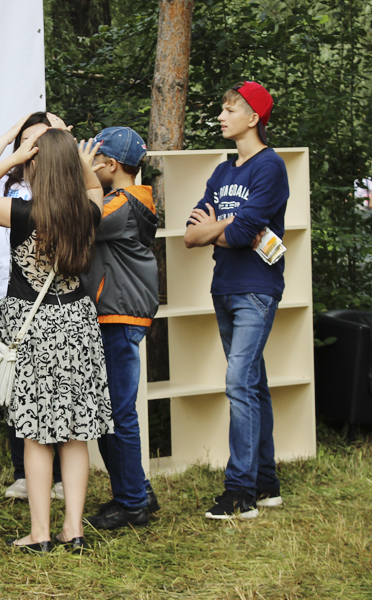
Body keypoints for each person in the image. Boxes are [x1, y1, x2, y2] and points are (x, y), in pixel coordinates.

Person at [0, 129, 112, 553]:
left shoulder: (22, 213)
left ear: (33, 165)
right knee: (76, 434)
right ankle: (73, 530)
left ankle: (40, 533)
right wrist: (83, 163)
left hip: (33, 328)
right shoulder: (88, 211)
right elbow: (93, 185)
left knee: (36, 434)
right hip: (77, 321)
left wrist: (11, 157)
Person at [184, 81, 288, 520]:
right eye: (222, 109)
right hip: (223, 287)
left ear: (253, 118)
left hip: (257, 290)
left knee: (238, 383)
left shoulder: (270, 167)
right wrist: (225, 228)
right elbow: (190, 233)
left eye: (230, 110)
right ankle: (266, 482)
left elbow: (246, 234)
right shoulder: (223, 171)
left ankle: (240, 492)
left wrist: (220, 227)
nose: (222, 116)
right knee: (253, 385)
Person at [0, 112, 66, 501]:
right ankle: (23, 473)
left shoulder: (66, 193)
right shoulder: (11, 190)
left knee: (56, 391)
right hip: (10, 304)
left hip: (55, 307)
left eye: (46, 140)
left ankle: (57, 477)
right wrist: (11, 138)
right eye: (29, 141)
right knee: (16, 388)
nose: (35, 148)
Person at [80, 127, 161, 531]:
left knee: (119, 413)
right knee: (115, 411)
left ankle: (131, 505)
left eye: (93, 158)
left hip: (119, 314)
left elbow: (80, 221)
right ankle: (137, 490)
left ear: (110, 165)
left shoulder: (119, 206)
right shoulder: (131, 199)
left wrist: (79, 177)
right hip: (120, 313)